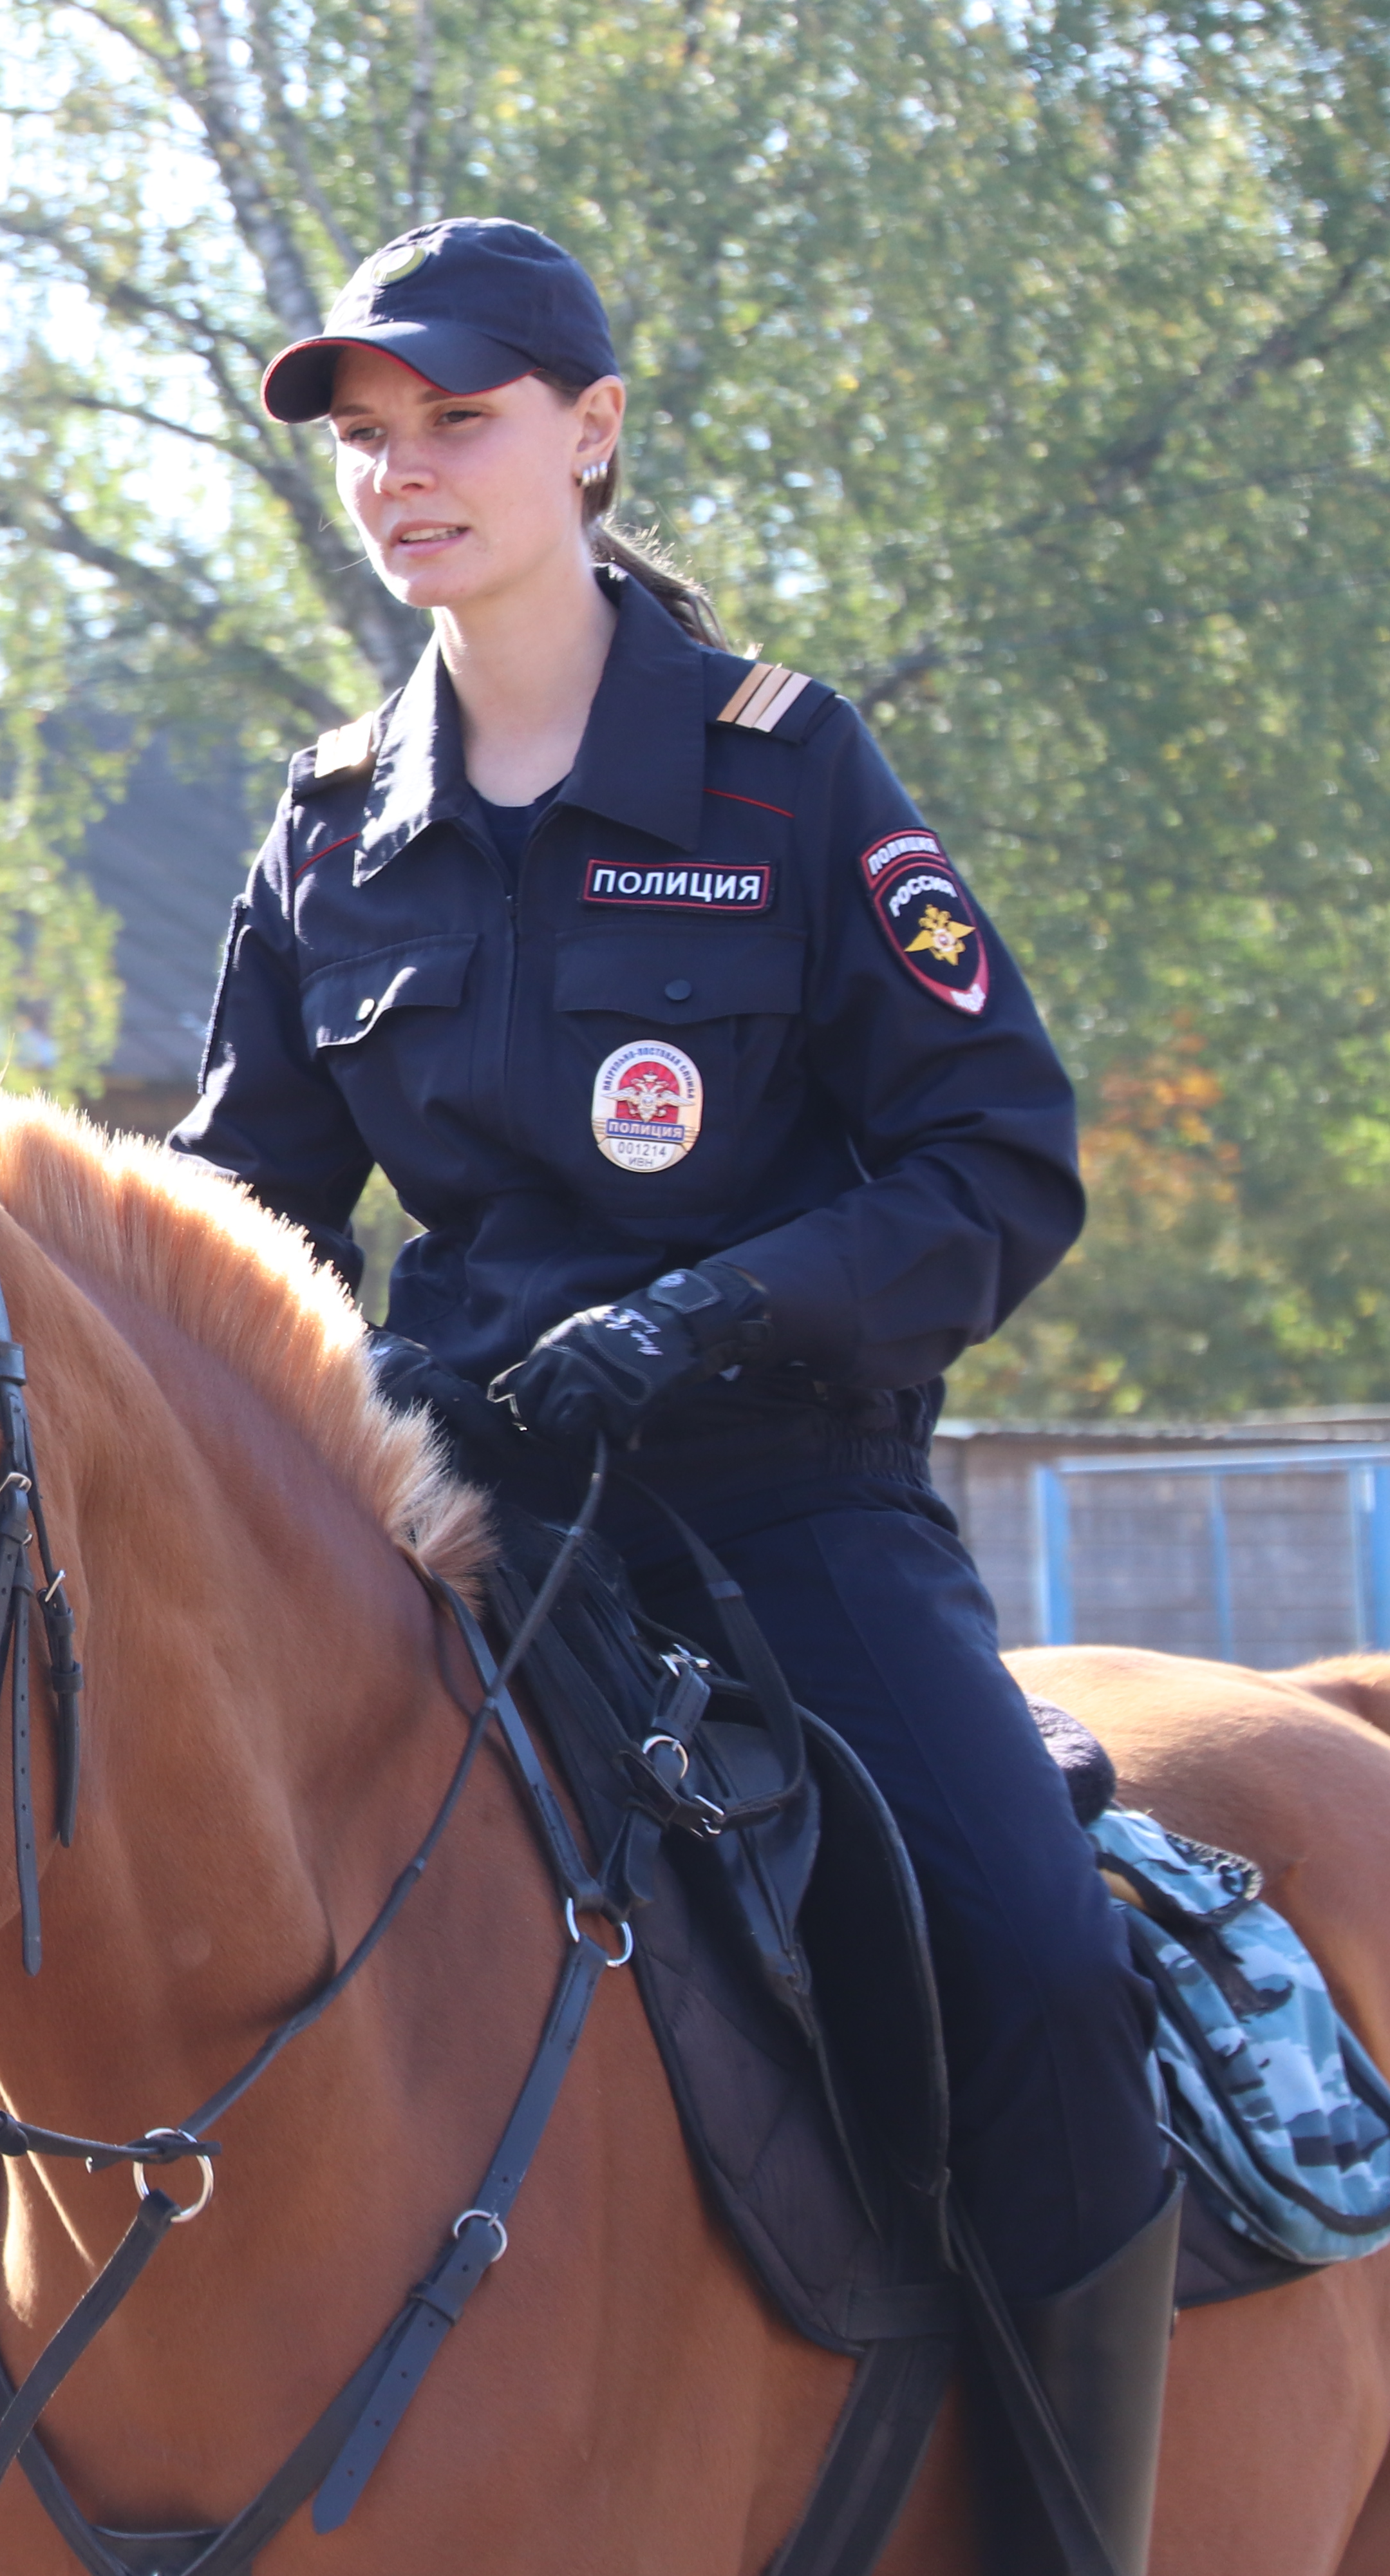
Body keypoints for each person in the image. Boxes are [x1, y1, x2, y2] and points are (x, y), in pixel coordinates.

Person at [170, 219, 1174, 2572]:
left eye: (460, 423)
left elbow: (994, 1169)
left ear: (592, 437)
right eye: (368, 442)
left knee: (1036, 1978)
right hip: (461, 1534)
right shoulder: (327, 829)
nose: (404, 476)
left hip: (784, 1513)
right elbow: (242, 1235)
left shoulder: (787, 777)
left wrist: (701, 1320)